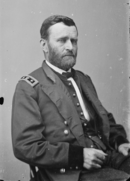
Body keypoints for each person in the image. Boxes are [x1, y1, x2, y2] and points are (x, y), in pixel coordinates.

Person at [11, 15, 130, 181]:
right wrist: (78, 157)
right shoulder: (29, 87)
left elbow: (104, 119)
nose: (70, 47)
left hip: (106, 155)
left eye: (74, 41)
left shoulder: (83, 79)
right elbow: (25, 146)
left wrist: (121, 141)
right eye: (62, 40)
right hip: (70, 171)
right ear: (44, 45)